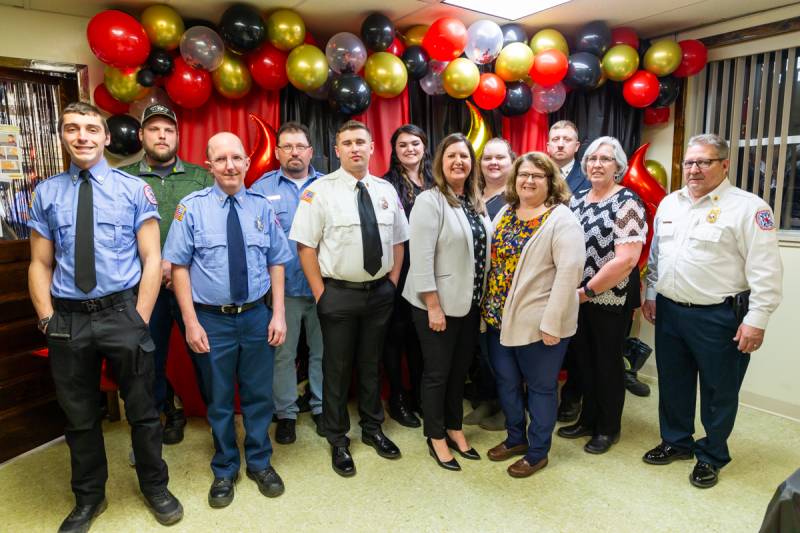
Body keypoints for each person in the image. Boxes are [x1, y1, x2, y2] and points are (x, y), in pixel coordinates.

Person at [27, 102, 183, 532]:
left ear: (106, 137)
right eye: (73, 129)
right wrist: (46, 318)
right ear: (62, 135)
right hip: (68, 319)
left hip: (122, 313)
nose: (83, 137)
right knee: (79, 417)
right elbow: (39, 263)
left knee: (144, 411)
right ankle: (89, 499)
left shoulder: (133, 190)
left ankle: (155, 486)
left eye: (91, 129)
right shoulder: (47, 193)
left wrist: (141, 317)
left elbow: (153, 259)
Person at [641, 134, 783, 489]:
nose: (694, 169)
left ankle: (712, 455)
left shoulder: (749, 208)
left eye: (704, 162)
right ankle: (676, 440)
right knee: (674, 383)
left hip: (720, 317)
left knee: (720, 391)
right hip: (671, 311)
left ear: (724, 165)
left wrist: (757, 321)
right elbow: (658, 257)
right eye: (689, 162)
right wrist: (651, 293)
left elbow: (765, 270)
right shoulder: (671, 204)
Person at [163, 132, 292, 507]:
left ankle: (259, 462)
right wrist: (190, 322)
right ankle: (224, 467)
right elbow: (180, 267)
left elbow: (277, 261)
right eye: (220, 159)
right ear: (209, 166)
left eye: (236, 158)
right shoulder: (192, 208)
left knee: (257, 396)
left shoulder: (262, 207)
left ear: (247, 163)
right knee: (219, 400)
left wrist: (278, 313)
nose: (230, 166)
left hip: (255, 316)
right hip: (211, 320)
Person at [290, 120, 408, 477]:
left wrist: (391, 280)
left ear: (373, 147)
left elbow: (398, 240)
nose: (355, 148)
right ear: (337, 150)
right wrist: (320, 293)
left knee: (372, 365)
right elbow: (305, 246)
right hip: (337, 294)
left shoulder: (387, 189)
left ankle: (373, 429)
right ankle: (338, 438)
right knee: (337, 370)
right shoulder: (319, 191)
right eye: (347, 143)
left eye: (361, 142)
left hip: (379, 294)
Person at [483, 152, 585, 477]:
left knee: (540, 389)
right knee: (507, 383)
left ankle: (538, 451)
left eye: (537, 176)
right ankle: (516, 438)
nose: (528, 181)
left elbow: (569, 275)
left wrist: (553, 323)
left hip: (540, 325)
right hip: (498, 320)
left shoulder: (561, 219)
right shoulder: (506, 213)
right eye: (523, 174)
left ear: (550, 181)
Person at [119, 103, 212, 444]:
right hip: (144, 287)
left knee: (205, 355)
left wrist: (177, 266)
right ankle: (162, 415)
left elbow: (211, 225)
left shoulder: (201, 177)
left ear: (177, 136)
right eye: (154, 129)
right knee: (148, 359)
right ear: (142, 135)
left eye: (168, 130)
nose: (162, 135)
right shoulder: (123, 178)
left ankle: (219, 422)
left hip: (194, 284)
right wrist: (152, 269)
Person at [403, 133, 491, 471]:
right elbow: (420, 257)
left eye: (465, 156)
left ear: (472, 164)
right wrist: (433, 305)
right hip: (434, 305)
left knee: (458, 373)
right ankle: (435, 435)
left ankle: (455, 427)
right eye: (452, 155)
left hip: (468, 304)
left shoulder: (474, 201)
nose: (459, 162)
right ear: (440, 161)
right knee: (437, 373)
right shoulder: (430, 200)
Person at [557, 136, 646, 454]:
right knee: (583, 363)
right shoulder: (577, 198)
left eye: (605, 159)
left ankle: (608, 428)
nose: (597, 164)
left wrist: (589, 291)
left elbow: (626, 260)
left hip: (609, 297)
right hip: (577, 296)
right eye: (592, 159)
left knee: (607, 365)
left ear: (618, 166)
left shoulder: (628, 202)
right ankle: (586, 420)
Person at [250, 121, 325, 444]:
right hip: (284, 293)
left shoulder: (328, 187)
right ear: (278, 152)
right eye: (288, 147)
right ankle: (286, 413)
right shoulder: (261, 190)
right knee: (283, 354)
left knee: (324, 352)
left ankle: (323, 407)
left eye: (300, 147)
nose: (294, 153)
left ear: (310, 152)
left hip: (325, 288)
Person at [380, 124, 434, 428]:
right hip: (399, 271)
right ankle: (397, 398)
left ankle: (419, 396)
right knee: (395, 336)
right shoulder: (386, 185)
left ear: (424, 146)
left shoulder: (437, 181)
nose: (410, 149)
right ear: (394, 151)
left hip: (431, 271)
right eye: (403, 145)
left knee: (421, 338)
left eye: (415, 143)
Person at [464, 137, 516, 431]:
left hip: (504, 287)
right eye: (487, 158)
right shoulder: (472, 193)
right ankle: (486, 401)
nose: (493, 163)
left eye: (500, 158)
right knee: (483, 349)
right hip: (475, 286)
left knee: (503, 352)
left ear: (512, 162)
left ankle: (508, 409)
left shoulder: (516, 196)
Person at [546, 120, 589, 423]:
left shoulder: (591, 175)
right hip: (545, 271)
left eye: (567, 139)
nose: (560, 144)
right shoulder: (537, 173)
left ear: (577, 146)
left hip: (581, 271)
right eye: (555, 139)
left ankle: (573, 397)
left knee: (579, 343)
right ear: (547, 145)